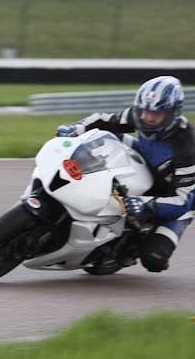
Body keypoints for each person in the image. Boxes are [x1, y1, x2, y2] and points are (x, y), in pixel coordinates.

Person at [56, 75, 195, 273]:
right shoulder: (139, 115)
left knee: (154, 260)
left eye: (156, 114)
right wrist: (76, 128)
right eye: (144, 110)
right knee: (106, 137)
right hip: (145, 158)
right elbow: (105, 120)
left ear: (173, 113)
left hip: (173, 195)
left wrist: (148, 204)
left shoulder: (187, 148)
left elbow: (184, 201)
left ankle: (130, 249)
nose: (147, 117)